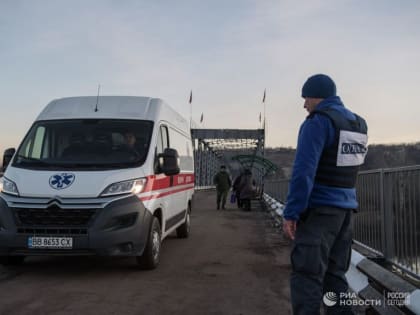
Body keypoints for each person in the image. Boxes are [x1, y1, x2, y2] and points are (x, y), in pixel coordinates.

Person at [282, 74, 368, 314]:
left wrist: (291, 213)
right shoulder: (358, 124)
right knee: (335, 277)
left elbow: (303, 173)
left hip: (319, 212)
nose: (304, 105)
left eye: (305, 98)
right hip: (346, 213)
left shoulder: (317, 122)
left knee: (307, 277)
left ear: (316, 96)